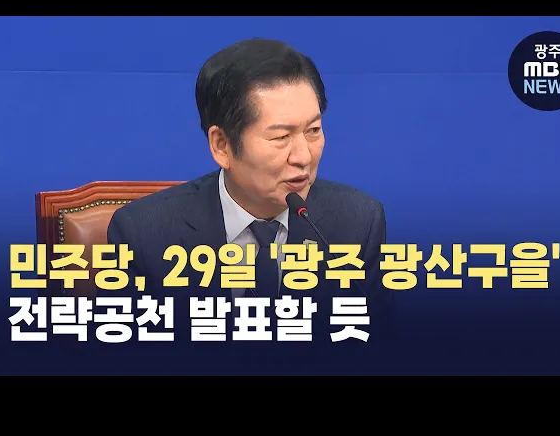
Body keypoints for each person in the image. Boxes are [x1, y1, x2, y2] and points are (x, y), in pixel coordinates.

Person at [106, 38, 392, 366]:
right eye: (281, 137)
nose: (303, 156)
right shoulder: (144, 235)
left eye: (313, 130)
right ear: (222, 145)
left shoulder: (357, 224)